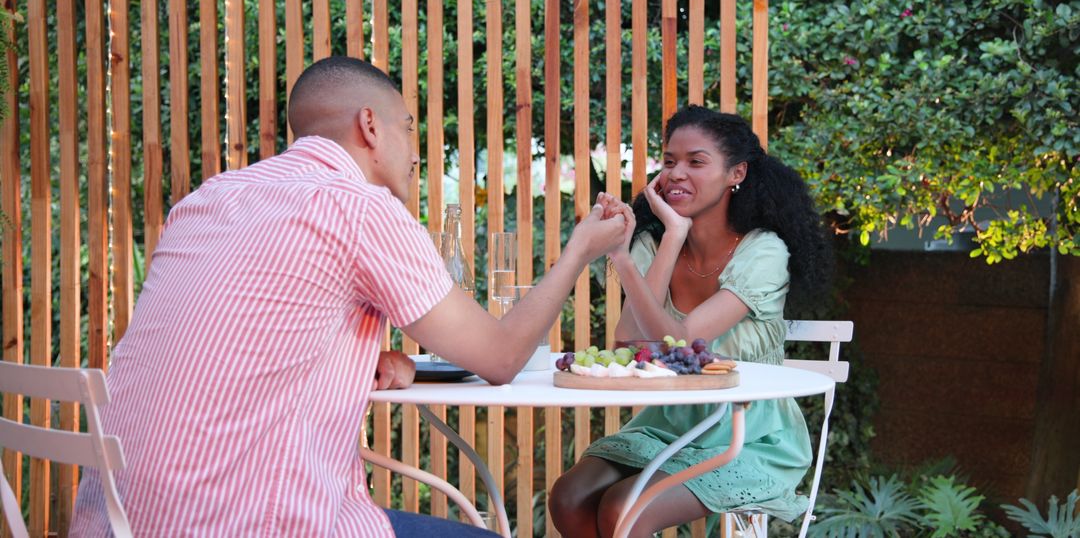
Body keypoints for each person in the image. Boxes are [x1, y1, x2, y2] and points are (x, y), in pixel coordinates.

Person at [70, 56, 632, 537]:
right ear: (370, 125)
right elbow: (501, 356)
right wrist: (578, 252)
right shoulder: (359, 208)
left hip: (117, 519)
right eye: (409, 129)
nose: (417, 151)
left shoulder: (208, 200)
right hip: (244, 521)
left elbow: (226, 339)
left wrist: (359, 354)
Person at [548, 106, 833, 537]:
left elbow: (680, 341)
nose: (677, 173)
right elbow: (627, 339)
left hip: (750, 433)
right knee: (569, 497)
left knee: (626, 510)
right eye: (669, 161)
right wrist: (654, 245)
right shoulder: (655, 242)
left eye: (696, 162)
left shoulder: (764, 252)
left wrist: (631, 258)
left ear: (736, 173)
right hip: (667, 425)